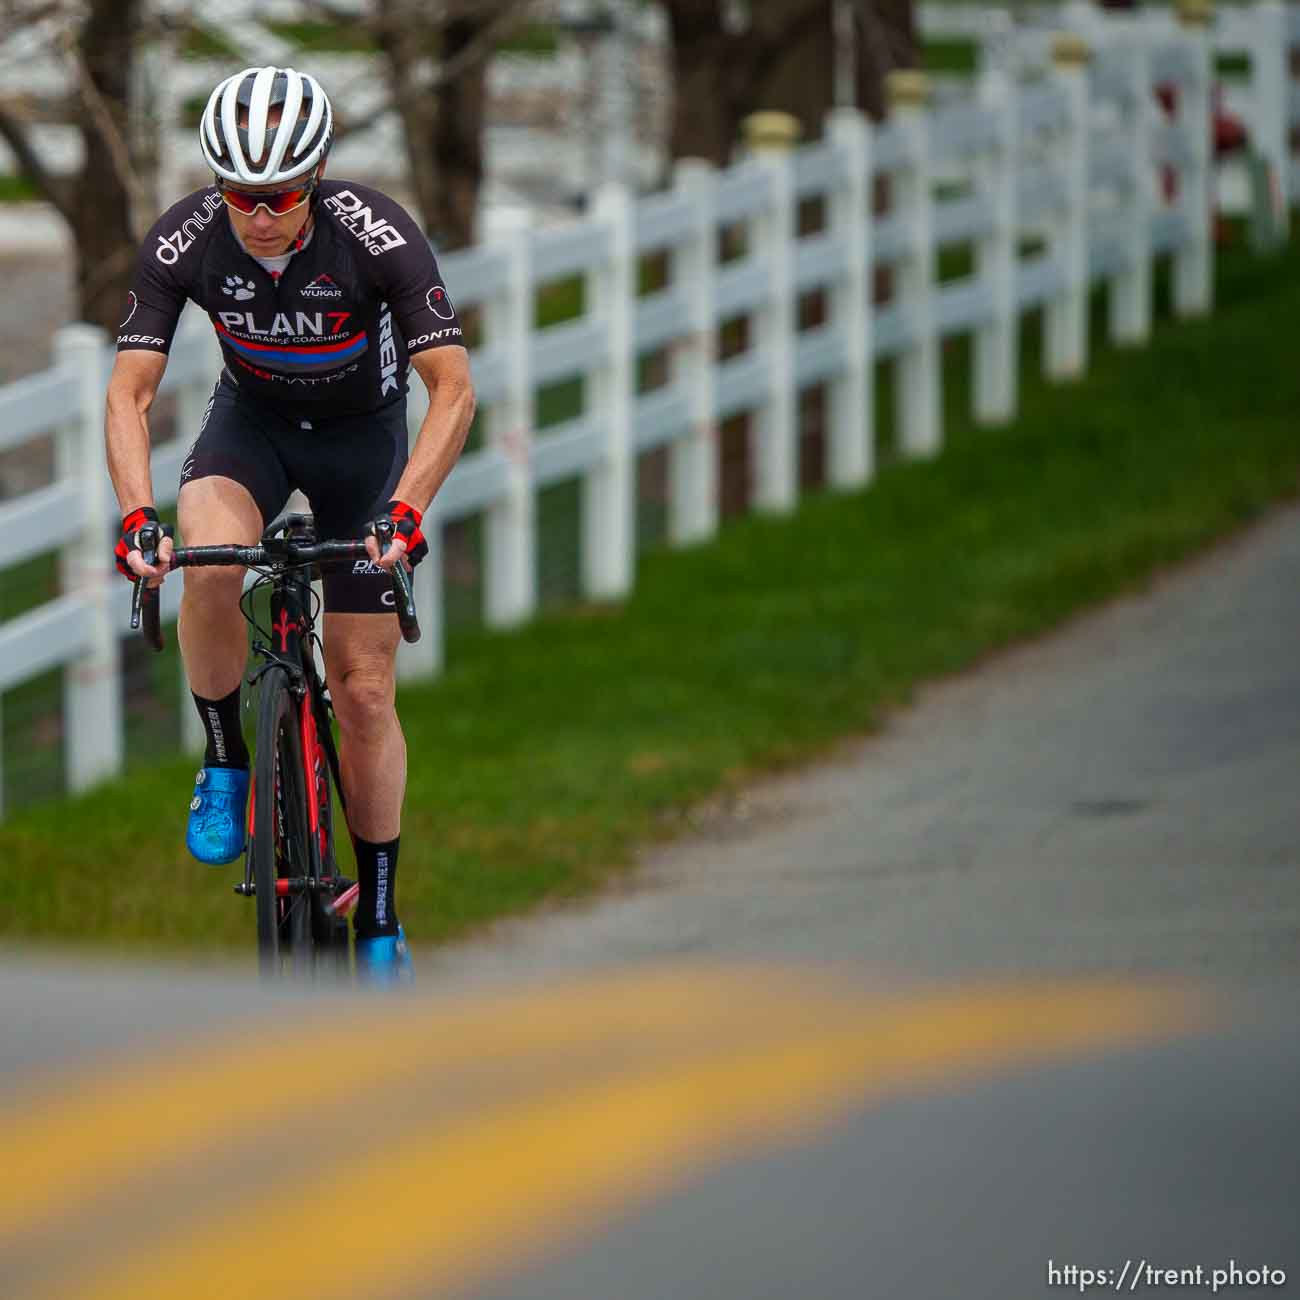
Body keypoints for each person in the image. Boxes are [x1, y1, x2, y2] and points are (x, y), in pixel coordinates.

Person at [106, 66, 475, 982]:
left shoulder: (375, 234)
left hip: (364, 447)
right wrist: (133, 517)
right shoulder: (186, 238)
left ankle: (380, 913)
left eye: (276, 195)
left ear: (313, 180)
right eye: (237, 193)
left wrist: (406, 511)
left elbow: (453, 390)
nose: (257, 214)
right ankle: (226, 757)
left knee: (363, 691)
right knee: (210, 558)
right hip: (255, 428)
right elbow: (129, 392)